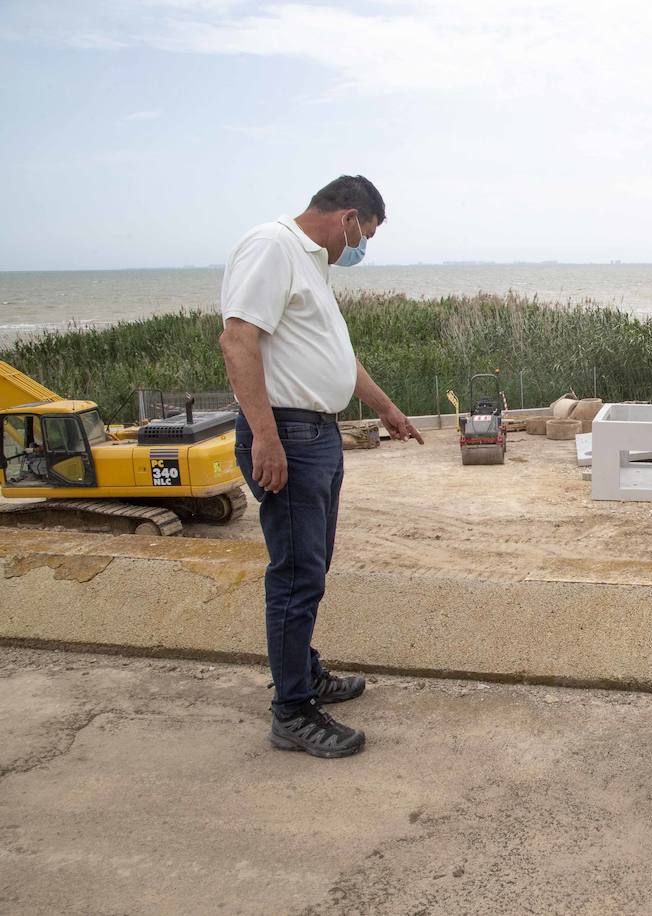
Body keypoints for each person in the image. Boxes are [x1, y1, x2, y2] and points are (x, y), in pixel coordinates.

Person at [219, 175, 425, 759]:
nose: (362, 248)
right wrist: (265, 438)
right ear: (349, 218)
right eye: (367, 236)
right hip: (287, 434)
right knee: (295, 575)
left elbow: (337, 358)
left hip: (317, 435)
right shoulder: (273, 246)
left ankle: (304, 672)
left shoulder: (312, 265)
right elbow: (237, 340)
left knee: (312, 567)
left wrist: (387, 409)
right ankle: (292, 710)